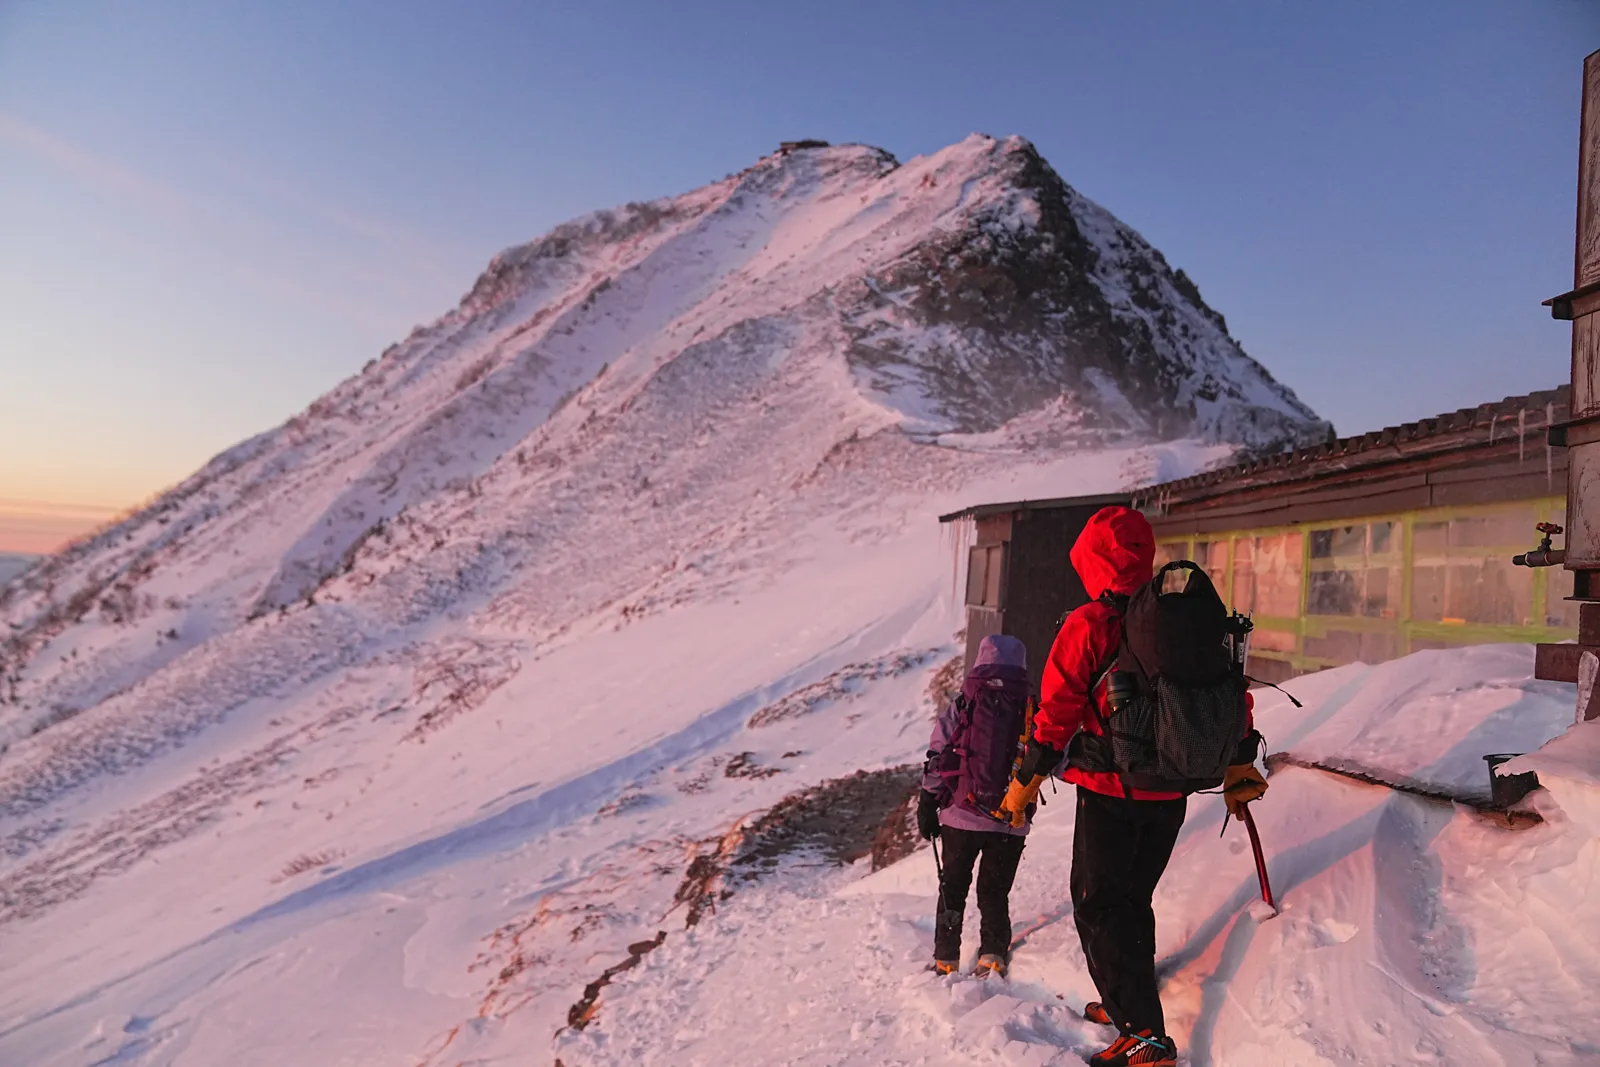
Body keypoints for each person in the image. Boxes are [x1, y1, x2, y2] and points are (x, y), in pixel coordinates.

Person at [999, 506, 1266, 1067]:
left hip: (1110, 788)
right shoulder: (1182, 621)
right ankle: (1126, 1005)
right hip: (1172, 788)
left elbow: (1059, 709)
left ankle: (1145, 1036)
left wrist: (1027, 776)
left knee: (1099, 905)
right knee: (1131, 899)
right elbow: (1232, 690)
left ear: (1092, 561)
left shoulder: (1090, 623)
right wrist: (1240, 763)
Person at [916, 633, 1041, 978]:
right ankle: (992, 955)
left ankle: (945, 958)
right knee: (994, 890)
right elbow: (1051, 758)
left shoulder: (965, 702)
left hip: (962, 815)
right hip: (1010, 819)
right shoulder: (1031, 707)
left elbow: (939, 754)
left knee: (952, 886)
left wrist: (928, 799)